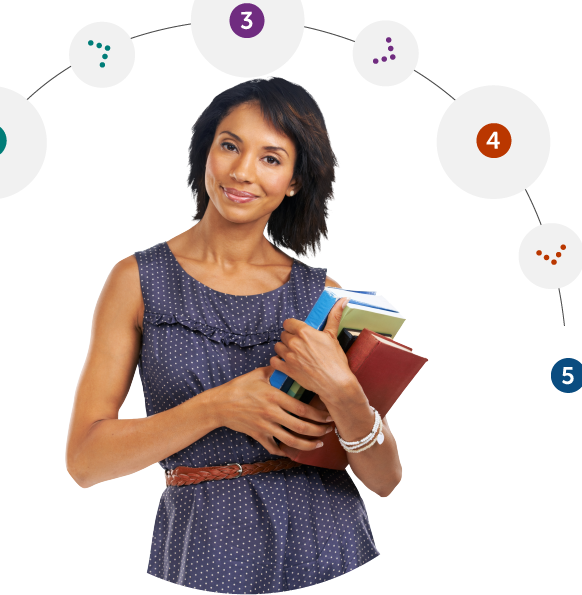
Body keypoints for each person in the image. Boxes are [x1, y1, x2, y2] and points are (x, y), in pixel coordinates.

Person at [65, 76, 402, 593]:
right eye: (230, 146)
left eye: (271, 158)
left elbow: (385, 480)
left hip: (332, 548)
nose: (243, 171)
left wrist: (343, 391)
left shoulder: (326, 297)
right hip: (203, 549)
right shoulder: (136, 281)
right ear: (206, 154)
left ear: (294, 180)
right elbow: (85, 462)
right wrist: (218, 406)